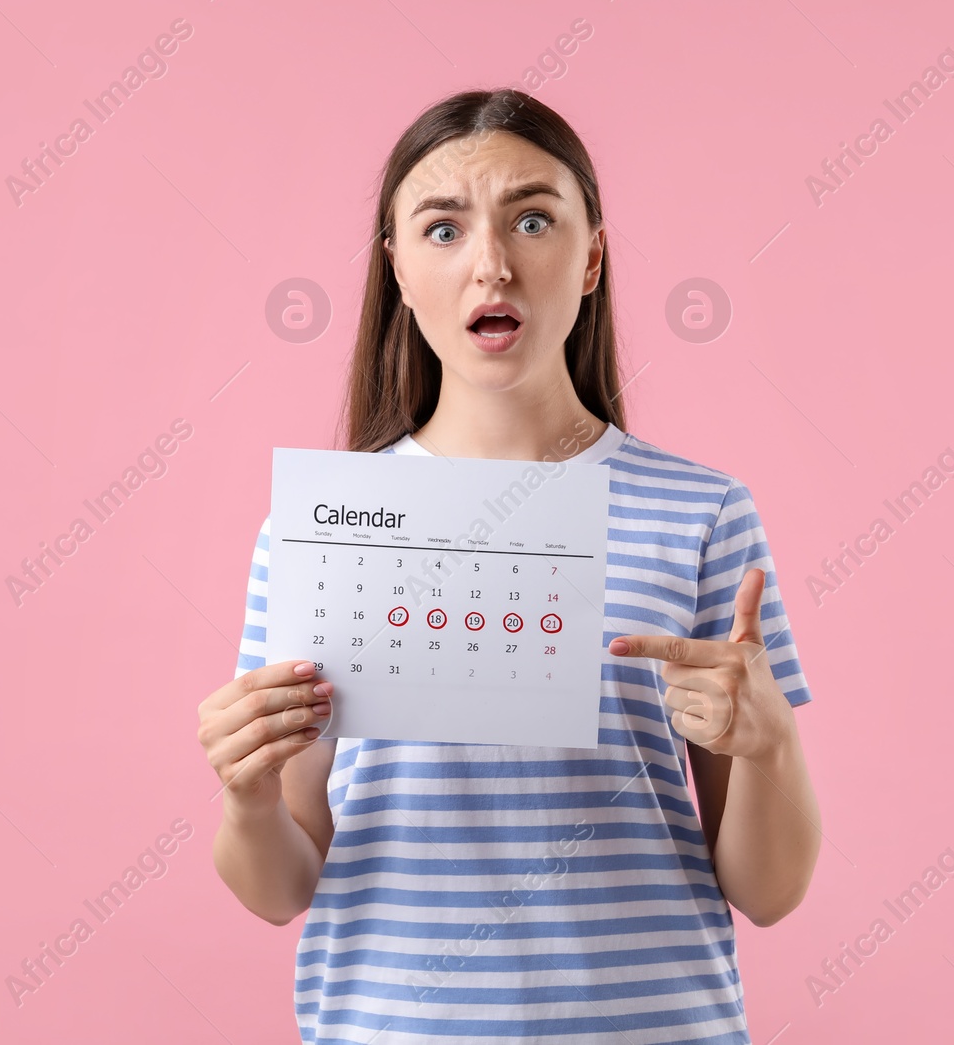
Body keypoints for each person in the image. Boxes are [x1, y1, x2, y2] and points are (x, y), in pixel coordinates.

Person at [197, 87, 821, 1044]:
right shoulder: (316, 533)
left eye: (533, 219)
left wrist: (770, 745)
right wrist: (245, 796)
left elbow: (769, 894)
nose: (492, 264)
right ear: (399, 269)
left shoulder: (702, 512)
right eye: (442, 230)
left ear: (591, 258)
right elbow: (280, 888)